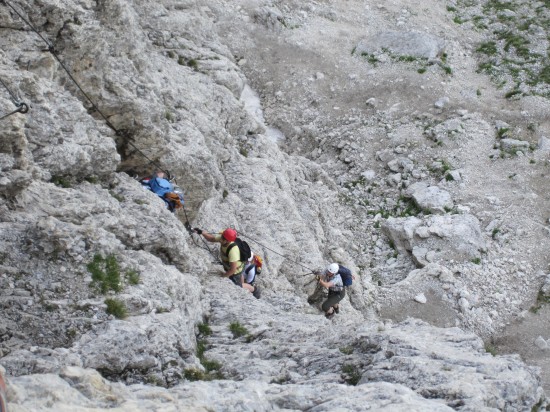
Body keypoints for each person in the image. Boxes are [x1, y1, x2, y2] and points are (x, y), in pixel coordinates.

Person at [193, 227, 260, 299]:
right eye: (222, 237)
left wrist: (224, 275)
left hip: (236, 271)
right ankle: (243, 281)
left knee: (239, 286)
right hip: (238, 266)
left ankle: (254, 290)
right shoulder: (224, 238)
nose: (221, 239)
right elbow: (211, 238)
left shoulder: (233, 251)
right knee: (240, 276)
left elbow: (233, 270)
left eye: (223, 238)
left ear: (228, 241)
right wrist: (201, 232)